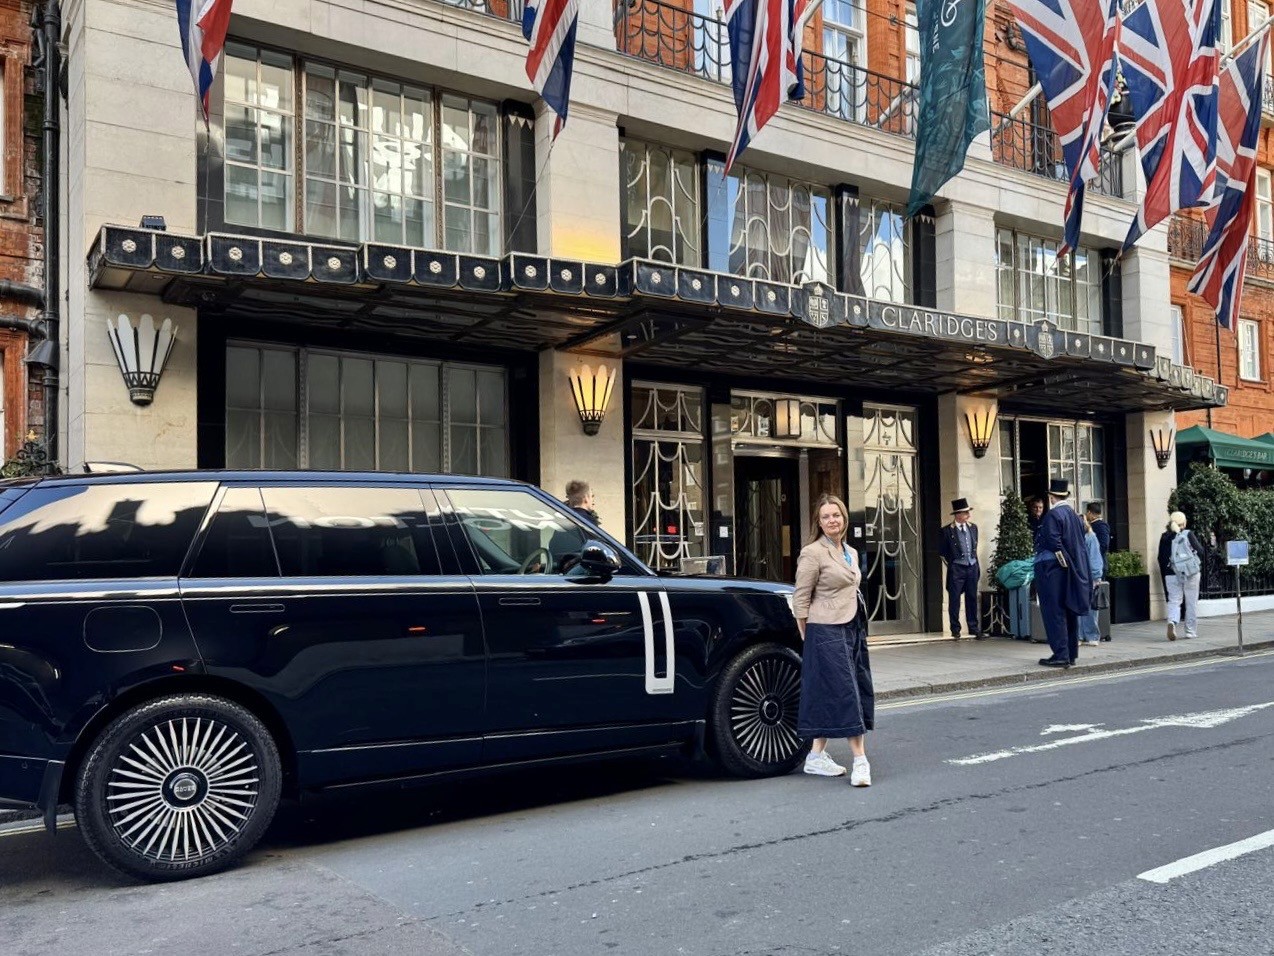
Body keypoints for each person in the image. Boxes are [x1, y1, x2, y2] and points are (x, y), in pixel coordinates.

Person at [793, 494, 875, 787]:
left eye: (836, 515)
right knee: (846, 691)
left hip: (852, 626)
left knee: (837, 690)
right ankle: (860, 761)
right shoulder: (812, 552)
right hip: (825, 630)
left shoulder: (849, 551)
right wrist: (809, 636)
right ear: (819, 522)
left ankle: (815, 757)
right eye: (826, 516)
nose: (832, 520)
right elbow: (801, 598)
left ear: (844, 518)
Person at [1034, 478, 1091, 669]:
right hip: (1071, 569)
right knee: (1069, 611)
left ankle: (1060, 654)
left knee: (1054, 611)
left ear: (1051, 497)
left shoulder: (1053, 515)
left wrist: (1063, 562)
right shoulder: (1074, 515)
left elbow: (1053, 542)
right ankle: (1071, 654)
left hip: (1052, 569)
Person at [938, 497, 985, 640]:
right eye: (965, 512)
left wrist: (975, 565)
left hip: (972, 567)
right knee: (954, 599)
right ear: (958, 514)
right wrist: (953, 564)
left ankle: (973, 628)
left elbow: (974, 548)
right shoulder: (947, 531)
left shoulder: (973, 527)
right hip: (957, 568)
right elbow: (942, 552)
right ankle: (955, 629)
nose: (968, 515)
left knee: (972, 598)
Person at [1158, 511, 1205, 641]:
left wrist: (1166, 573)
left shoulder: (1164, 537)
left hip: (1171, 573)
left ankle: (1172, 621)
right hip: (1190, 572)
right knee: (1191, 602)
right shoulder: (1187, 534)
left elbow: (1160, 558)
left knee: (1174, 600)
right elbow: (1201, 551)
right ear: (1184, 522)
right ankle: (1190, 631)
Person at [1078, 515, 1104, 647]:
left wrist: (1096, 577)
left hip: (1087, 576)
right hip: (1079, 575)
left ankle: (1090, 635)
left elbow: (1095, 558)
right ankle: (1081, 635)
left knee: (1089, 607)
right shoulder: (1079, 537)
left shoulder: (1090, 537)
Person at [1086, 502, 1111, 578]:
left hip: (1098, 566)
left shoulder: (1101, 526)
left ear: (1089, 512)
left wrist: (1094, 555)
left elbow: (1104, 545)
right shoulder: (1094, 525)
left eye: (1086, 512)